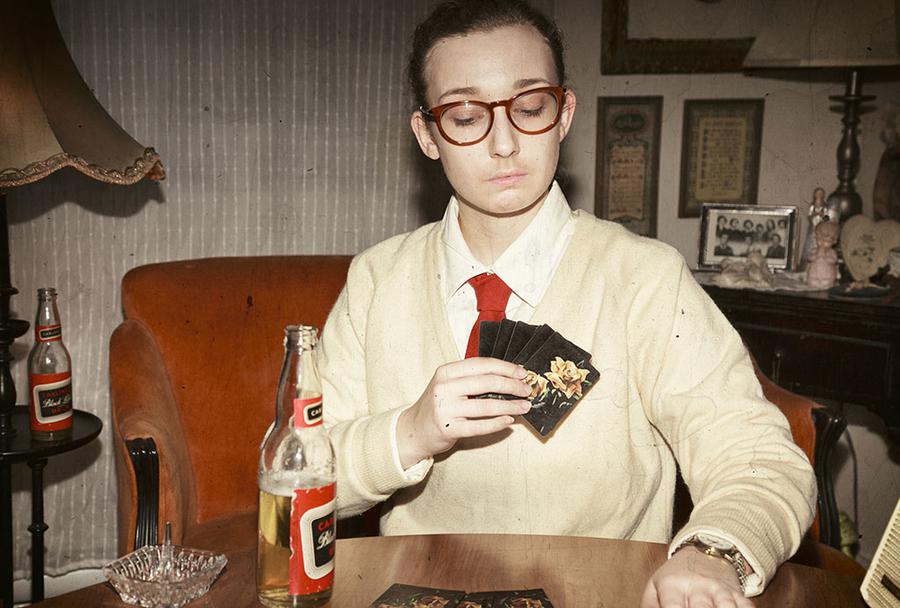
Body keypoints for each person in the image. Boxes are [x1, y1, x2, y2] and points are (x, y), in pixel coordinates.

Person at [318, 2, 815, 607]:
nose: (504, 144)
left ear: (563, 115)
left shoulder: (643, 278)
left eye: (529, 108)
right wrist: (411, 432)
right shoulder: (376, 280)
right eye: (467, 116)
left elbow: (758, 455)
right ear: (427, 135)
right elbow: (301, 476)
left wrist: (715, 554)